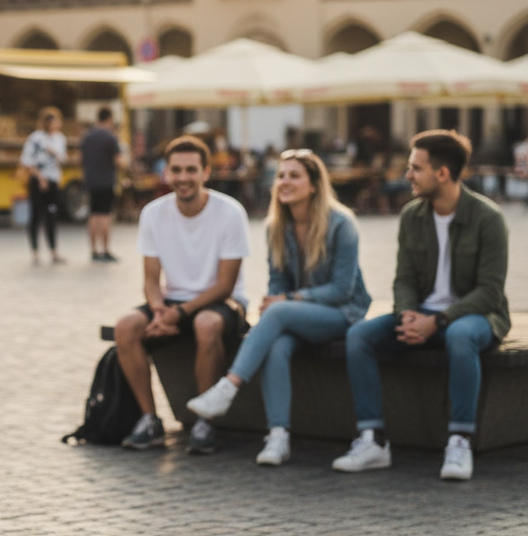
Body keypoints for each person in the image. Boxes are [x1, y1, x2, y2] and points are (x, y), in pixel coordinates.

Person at [334, 130, 509, 481]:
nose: (408, 175)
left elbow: (489, 291)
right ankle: (373, 439)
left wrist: (439, 320)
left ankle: (460, 441)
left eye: (415, 168)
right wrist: (407, 315)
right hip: (423, 314)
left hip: (475, 317)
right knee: (360, 337)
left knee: (460, 336)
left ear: (442, 174)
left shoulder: (488, 218)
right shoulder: (412, 215)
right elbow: (404, 280)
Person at [186, 150, 371, 465]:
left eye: (294, 176)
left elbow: (342, 290)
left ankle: (229, 386)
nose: (284, 182)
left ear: (314, 185)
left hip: (344, 313)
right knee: (277, 345)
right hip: (300, 316)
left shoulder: (341, 223)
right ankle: (278, 436)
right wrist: (276, 298)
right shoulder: (276, 227)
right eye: (281, 176)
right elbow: (278, 283)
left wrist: (287, 301)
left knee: (279, 312)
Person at [114, 135, 250, 452]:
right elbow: (150, 279)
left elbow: (225, 285)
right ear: (166, 173)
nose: (183, 178)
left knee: (206, 324)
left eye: (191, 170)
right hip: (172, 301)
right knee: (125, 326)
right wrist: (159, 310)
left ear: (206, 173)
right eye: (176, 170)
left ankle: (205, 423)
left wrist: (180, 312)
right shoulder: (153, 213)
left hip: (222, 302)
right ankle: (150, 420)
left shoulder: (229, 212)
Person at [20, 106, 67, 264]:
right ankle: (35, 252)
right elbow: (27, 161)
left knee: (52, 215)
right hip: (38, 180)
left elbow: (63, 159)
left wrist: (55, 153)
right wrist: (40, 178)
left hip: (53, 180)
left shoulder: (60, 138)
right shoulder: (36, 138)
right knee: (36, 215)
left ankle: (54, 251)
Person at [80, 106, 123, 261]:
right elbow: (119, 161)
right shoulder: (110, 137)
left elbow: (81, 158)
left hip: (90, 180)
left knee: (93, 215)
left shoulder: (87, 136)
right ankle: (105, 250)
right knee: (105, 216)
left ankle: (93, 250)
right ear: (109, 119)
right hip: (106, 180)